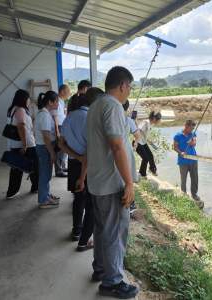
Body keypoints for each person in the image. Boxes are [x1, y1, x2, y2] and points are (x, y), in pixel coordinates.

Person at [86, 66, 138, 299]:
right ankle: (113, 282)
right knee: (115, 232)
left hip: (98, 182)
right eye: (129, 86)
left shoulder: (96, 105)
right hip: (111, 184)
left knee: (102, 229)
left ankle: (101, 269)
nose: (129, 91)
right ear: (123, 85)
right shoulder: (113, 106)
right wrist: (129, 182)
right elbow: (117, 146)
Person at [59, 88, 105, 251]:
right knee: (91, 204)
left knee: (78, 199)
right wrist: (83, 168)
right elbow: (90, 151)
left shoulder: (69, 117)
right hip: (89, 165)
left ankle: (76, 231)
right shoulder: (90, 118)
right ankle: (85, 240)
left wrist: (76, 157)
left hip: (73, 163)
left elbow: (61, 144)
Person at [5, 89, 39, 199]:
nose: (29, 101)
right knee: (34, 166)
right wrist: (24, 145)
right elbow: (21, 127)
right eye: (28, 98)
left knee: (16, 168)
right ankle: (36, 187)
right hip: (26, 144)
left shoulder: (12, 109)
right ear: (24, 99)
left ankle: (12, 192)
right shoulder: (20, 110)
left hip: (14, 144)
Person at [35, 91, 60, 209]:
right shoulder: (44, 115)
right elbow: (46, 137)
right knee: (45, 174)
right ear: (50, 102)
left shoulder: (44, 113)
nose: (58, 104)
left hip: (45, 147)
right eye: (56, 102)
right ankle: (43, 200)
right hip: (45, 148)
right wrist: (52, 153)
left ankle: (46, 195)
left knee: (47, 173)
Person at [173, 119, 204, 209]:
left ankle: (194, 194)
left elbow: (194, 143)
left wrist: (192, 142)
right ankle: (183, 194)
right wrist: (180, 152)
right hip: (183, 161)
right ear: (186, 126)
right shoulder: (177, 136)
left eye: (193, 128)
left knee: (195, 178)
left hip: (193, 160)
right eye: (191, 128)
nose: (192, 130)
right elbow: (175, 147)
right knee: (184, 179)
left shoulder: (192, 134)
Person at [122, 100, 140, 213]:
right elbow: (137, 135)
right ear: (127, 108)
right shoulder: (128, 120)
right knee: (127, 177)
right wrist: (135, 143)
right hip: (125, 151)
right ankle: (130, 203)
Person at [51, 84, 71, 177]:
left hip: (62, 126)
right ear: (62, 91)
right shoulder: (57, 101)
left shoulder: (62, 101)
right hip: (58, 126)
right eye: (68, 91)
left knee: (63, 148)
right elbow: (55, 117)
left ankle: (62, 166)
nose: (69, 93)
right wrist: (57, 131)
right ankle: (58, 170)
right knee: (59, 148)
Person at [136, 111, 162, 177]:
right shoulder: (146, 122)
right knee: (145, 158)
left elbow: (145, 136)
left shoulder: (150, 124)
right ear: (154, 118)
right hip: (138, 143)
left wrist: (152, 145)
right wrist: (135, 142)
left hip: (143, 143)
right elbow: (138, 130)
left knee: (150, 156)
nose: (158, 121)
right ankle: (142, 174)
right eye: (158, 120)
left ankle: (152, 169)